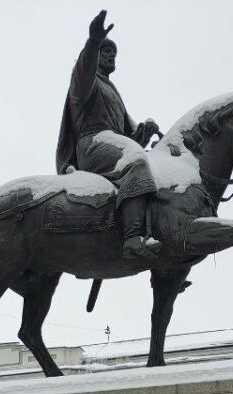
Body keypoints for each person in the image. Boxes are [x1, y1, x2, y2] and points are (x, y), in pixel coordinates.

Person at [56, 10, 162, 258]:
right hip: (92, 144)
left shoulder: (113, 91)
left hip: (114, 143)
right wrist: (94, 42)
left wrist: (145, 130)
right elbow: (83, 68)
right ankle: (132, 239)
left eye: (113, 53)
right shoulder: (85, 82)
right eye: (106, 52)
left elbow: (132, 136)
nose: (111, 56)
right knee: (136, 162)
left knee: (148, 164)